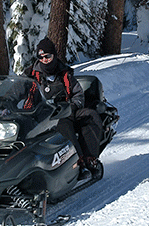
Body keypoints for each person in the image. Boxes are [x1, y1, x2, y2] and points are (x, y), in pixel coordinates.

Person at [21, 37, 103, 178]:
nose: (45, 60)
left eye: (48, 56)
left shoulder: (65, 74)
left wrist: (70, 108)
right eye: (41, 57)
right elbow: (18, 89)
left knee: (88, 116)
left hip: (65, 112)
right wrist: (4, 100)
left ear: (54, 55)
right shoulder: (31, 75)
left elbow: (78, 94)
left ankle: (85, 160)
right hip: (38, 114)